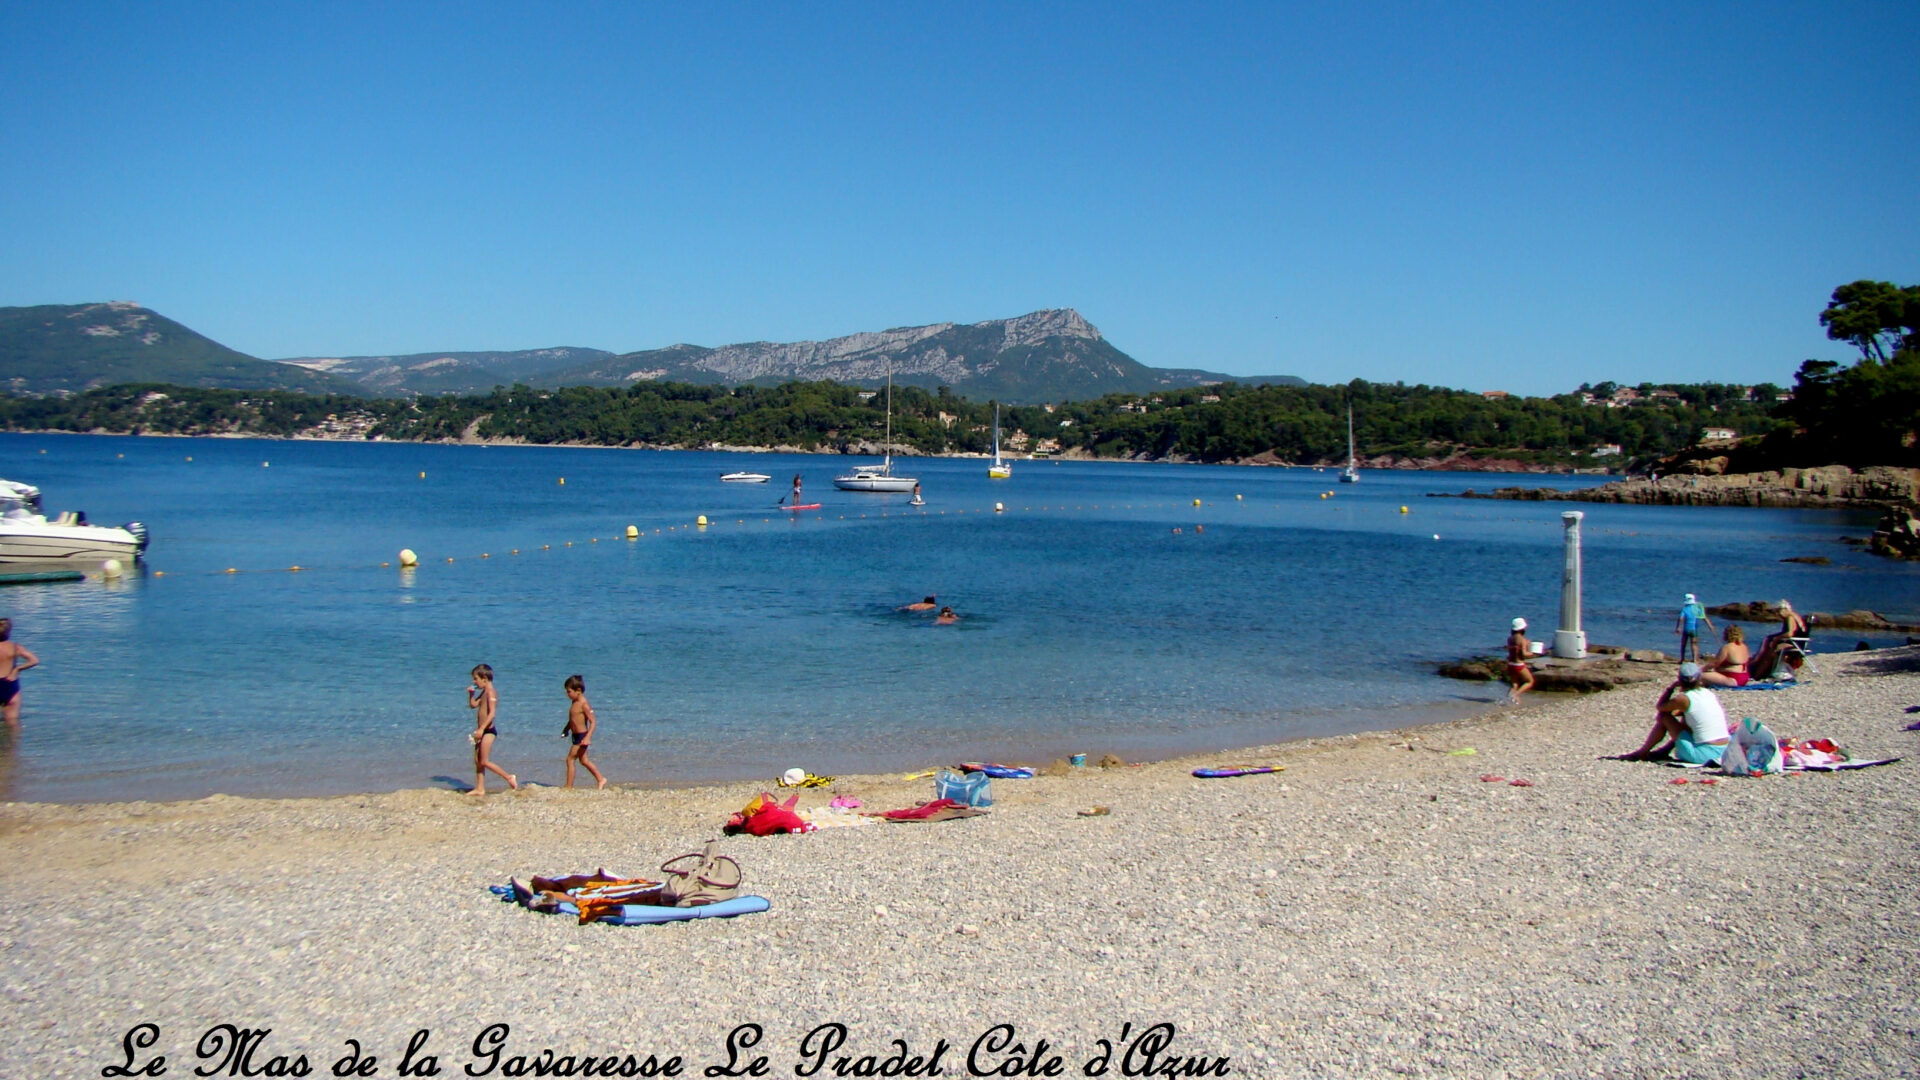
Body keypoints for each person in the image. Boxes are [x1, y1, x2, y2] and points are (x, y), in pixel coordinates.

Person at [1622, 662, 1730, 764]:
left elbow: (1661, 707)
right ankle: (1663, 751)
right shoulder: (1708, 693)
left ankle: (1643, 752)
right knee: (1687, 719)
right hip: (1724, 750)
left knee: (1664, 717)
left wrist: (1670, 689)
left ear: (1680, 679)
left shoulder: (1684, 699)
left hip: (1701, 755)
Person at [466, 664, 517, 796]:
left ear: (484, 679)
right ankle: (480, 788)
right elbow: (473, 705)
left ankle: (508, 777)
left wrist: (482, 729)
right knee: (478, 761)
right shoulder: (483, 692)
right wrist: (471, 694)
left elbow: (492, 713)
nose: (474, 682)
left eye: (475, 679)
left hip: (488, 731)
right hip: (481, 731)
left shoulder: (491, 692)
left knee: (484, 760)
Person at [561, 674, 607, 789]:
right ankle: (601, 779)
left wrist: (587, 738)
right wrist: (566, 729)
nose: (567, 694)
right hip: (575, 735)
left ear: (578, 691)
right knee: (584, 760)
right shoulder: (574, 702)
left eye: (569, 691)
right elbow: (572, 719)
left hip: (582, 736)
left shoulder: (583, 704)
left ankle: (568, 786)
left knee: (570, 759)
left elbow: (593, 722)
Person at [1752, 599, 1809, 678]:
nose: (1777, 615)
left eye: (1778, 612)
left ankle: (1757, 675)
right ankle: (1760, 670)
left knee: (1770, 652)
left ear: (1784, 609)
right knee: (1769, 645)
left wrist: (1776, 638)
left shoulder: (1790, 618)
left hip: (1795, 645)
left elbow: (1790, 633)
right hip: (1798, 643)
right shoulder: (1795, 616)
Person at [0, 619, 39, 733]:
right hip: (10, 684)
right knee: (12, 725)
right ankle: (11, 749)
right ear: (9, 632)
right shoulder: (15, 647)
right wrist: (17, 669)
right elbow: (34, 660)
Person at [1504, 617, 1535, 705]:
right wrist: (1533, 653)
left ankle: (1507, 700)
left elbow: (1515, 650)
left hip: (1510, 664)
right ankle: (1516, 696)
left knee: (1514, 685)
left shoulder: (1510, 638)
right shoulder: (1522, 639)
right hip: (1519, 664)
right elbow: (1523, 654)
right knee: (1529, 681)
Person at [1674, 593, 1713, 662]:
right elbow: (1704, 618)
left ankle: (1682, 659)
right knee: (1694, 644)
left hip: (1686, 629)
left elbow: (1680, 618)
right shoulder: (1696, 609)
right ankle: (1695, 659)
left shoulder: (1685, 609)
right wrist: (1710, 626)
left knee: (1683, 644)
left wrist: (1678, 627)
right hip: (1694, 629)